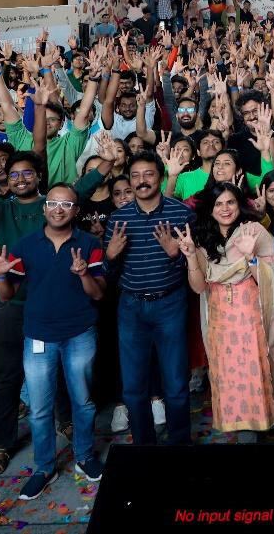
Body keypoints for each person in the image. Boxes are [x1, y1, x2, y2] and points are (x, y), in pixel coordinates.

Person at [0, 184, 106, 499]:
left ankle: (85, 456)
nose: (58, 209)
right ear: (44, 208)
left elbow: (98, 294)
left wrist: (83, 274)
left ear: (76, 211)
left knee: (83, 401)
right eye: (53, 203)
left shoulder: (89, 243)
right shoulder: (25, 245)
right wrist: (0, 275)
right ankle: (44, 467)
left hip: (79, 333)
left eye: (66, 204)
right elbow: (6, 296)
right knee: (39, 408)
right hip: (38, 335)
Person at [177, 183, 274, 436]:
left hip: (251, 321)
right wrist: (191, 256)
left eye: (230, 202)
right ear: (210, 209)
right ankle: (241, 432)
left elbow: (273, 277)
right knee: (228, 380)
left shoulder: (253, 231)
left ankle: (257, 430)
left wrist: (251, 257)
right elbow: (199, 287)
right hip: (220, 324)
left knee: (255, 376)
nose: (225, 209)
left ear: (239, 205)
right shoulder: (201, 238)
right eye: (218, 204)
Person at [103, 151, 194, 445]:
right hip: (131, 307)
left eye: (149, 174)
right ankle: (144, 447)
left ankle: (180, 443)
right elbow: (108, 273)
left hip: (170, 304)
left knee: (176, 384)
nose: (142, 181)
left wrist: (176, 255)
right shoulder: (118, 219)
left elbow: (197, 268)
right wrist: (110, 256)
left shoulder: (181, 214)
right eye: (136, 176)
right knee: (133, 388)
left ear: (161, 177)